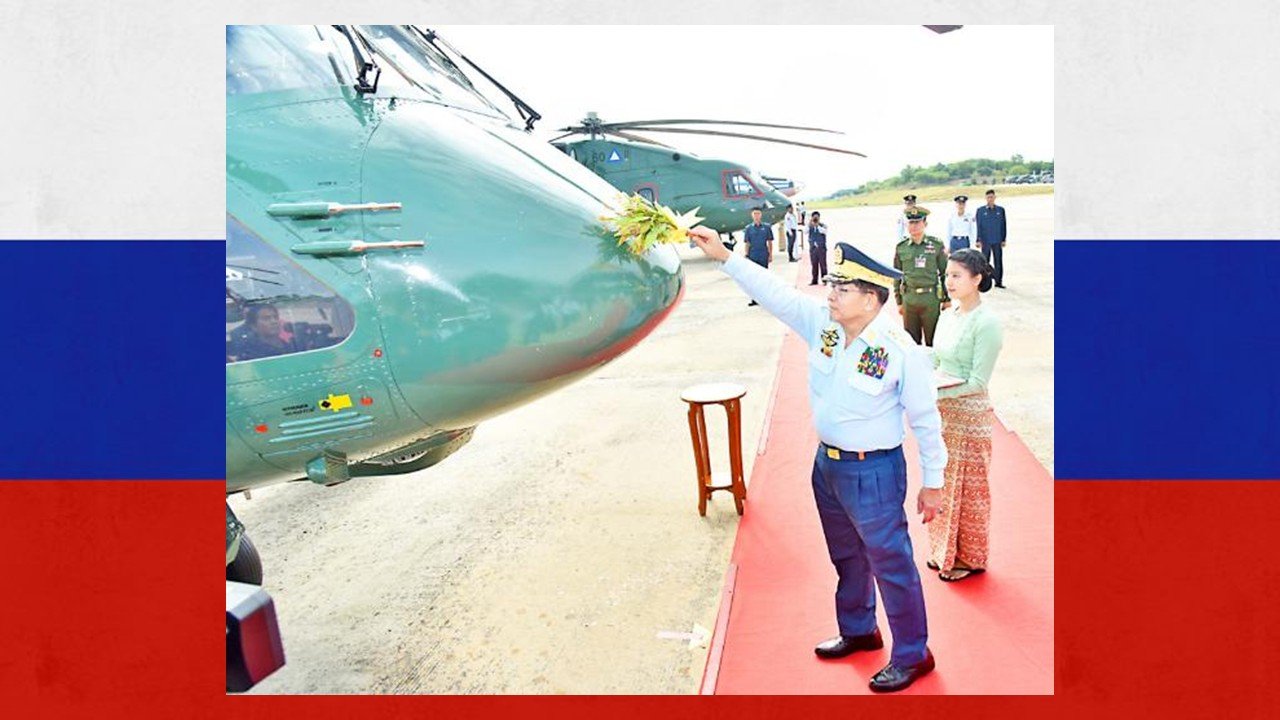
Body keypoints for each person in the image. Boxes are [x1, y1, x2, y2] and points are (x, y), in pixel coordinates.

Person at [688, 225, 945, 693]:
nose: (830, 295)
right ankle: (859, 629)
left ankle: (913, 653)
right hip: (827, 467)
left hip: (875, 471)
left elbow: (926, 420)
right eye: (832, 286)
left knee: (891, 563)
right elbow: (775, 294)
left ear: (870, 299)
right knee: (846, 556)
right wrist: (726, 256)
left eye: (841, 289)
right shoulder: (824, 328)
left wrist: (935, 482)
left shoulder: (898, 350)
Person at [927, 249, 1003, 582]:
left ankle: (969, 558)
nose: (950, 282)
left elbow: (977, 381)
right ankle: (942, 550)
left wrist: (935, 391)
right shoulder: (947, 314)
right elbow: (937, 361)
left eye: (957, 276)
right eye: (948, 275)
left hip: (970, 416)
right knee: (943, 483)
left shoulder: (987, 323)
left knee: (969, 489)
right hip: (943, 414)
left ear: (977, 279)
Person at [893, 210, 950, 346]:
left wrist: (947, 299)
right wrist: (899, 301)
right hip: (909, 299)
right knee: (911, 343)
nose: (913, 226)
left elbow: (944, 273)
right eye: (911, 222)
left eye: (917, 222)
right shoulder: (901, 248)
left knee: (933, 342)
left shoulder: (935, 245)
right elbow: (896, 275)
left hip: (930, 299)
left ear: (925, 223)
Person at [227, 304, 299, 362]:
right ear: (254, 326)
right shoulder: (250, 355)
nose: (274, 321)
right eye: (266, 318)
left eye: (276, 317)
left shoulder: (294, 345)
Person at [974, 189, 1007, 288]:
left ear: (995, 198)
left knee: (998, 261)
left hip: (997, 240)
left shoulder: (1000, 210)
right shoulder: (980, 211)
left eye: (992, 197)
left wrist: (1004, 238)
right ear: (985, 198)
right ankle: (985, 281)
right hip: (985, 240)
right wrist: (978, 239)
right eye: (988, 197)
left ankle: (998, 281)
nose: (990, 199)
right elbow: (978, 226)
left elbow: (1003, 225)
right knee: (984, 262)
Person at [743, 208, 775, 306]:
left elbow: (769, 242)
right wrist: (746, 254)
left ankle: (765, 298)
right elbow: (747, 243)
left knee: (764, 278)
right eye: (755, 214)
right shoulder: (748, 228)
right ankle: (755, 299)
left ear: (761, 215)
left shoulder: (766, 227)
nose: (756, 216)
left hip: (763, 254)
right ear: (752, 216)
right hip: (753, 255)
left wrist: (770, 254)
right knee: (753, 279)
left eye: (758, 214)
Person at [807, 211, 829, 286]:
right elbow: (805, 231)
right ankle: (814, 280)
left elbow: (824, 231)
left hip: (821, 248)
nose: (815, 219)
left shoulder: (823, 225)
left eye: (817, 217)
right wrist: (810, 224)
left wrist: (817, 225)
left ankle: (824, 280)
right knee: (814, 265)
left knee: (823, 265)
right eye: (814, 217)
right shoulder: (810, 226)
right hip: (813, 248)